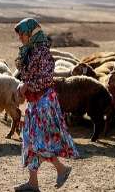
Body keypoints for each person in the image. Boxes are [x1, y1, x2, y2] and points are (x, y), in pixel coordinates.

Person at [13, 18, 78, 192]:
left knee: (37, 141)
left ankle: (59, 170)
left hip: (44, 103)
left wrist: (27, 86)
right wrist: (25, 85)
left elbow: (46, 79)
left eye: (22, 34)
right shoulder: (31, 51)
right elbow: (30, 76)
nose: (20, 38)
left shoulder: (41, 52)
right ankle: (36, 182)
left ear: (31, 33)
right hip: (35, 103)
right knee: (30, 139)